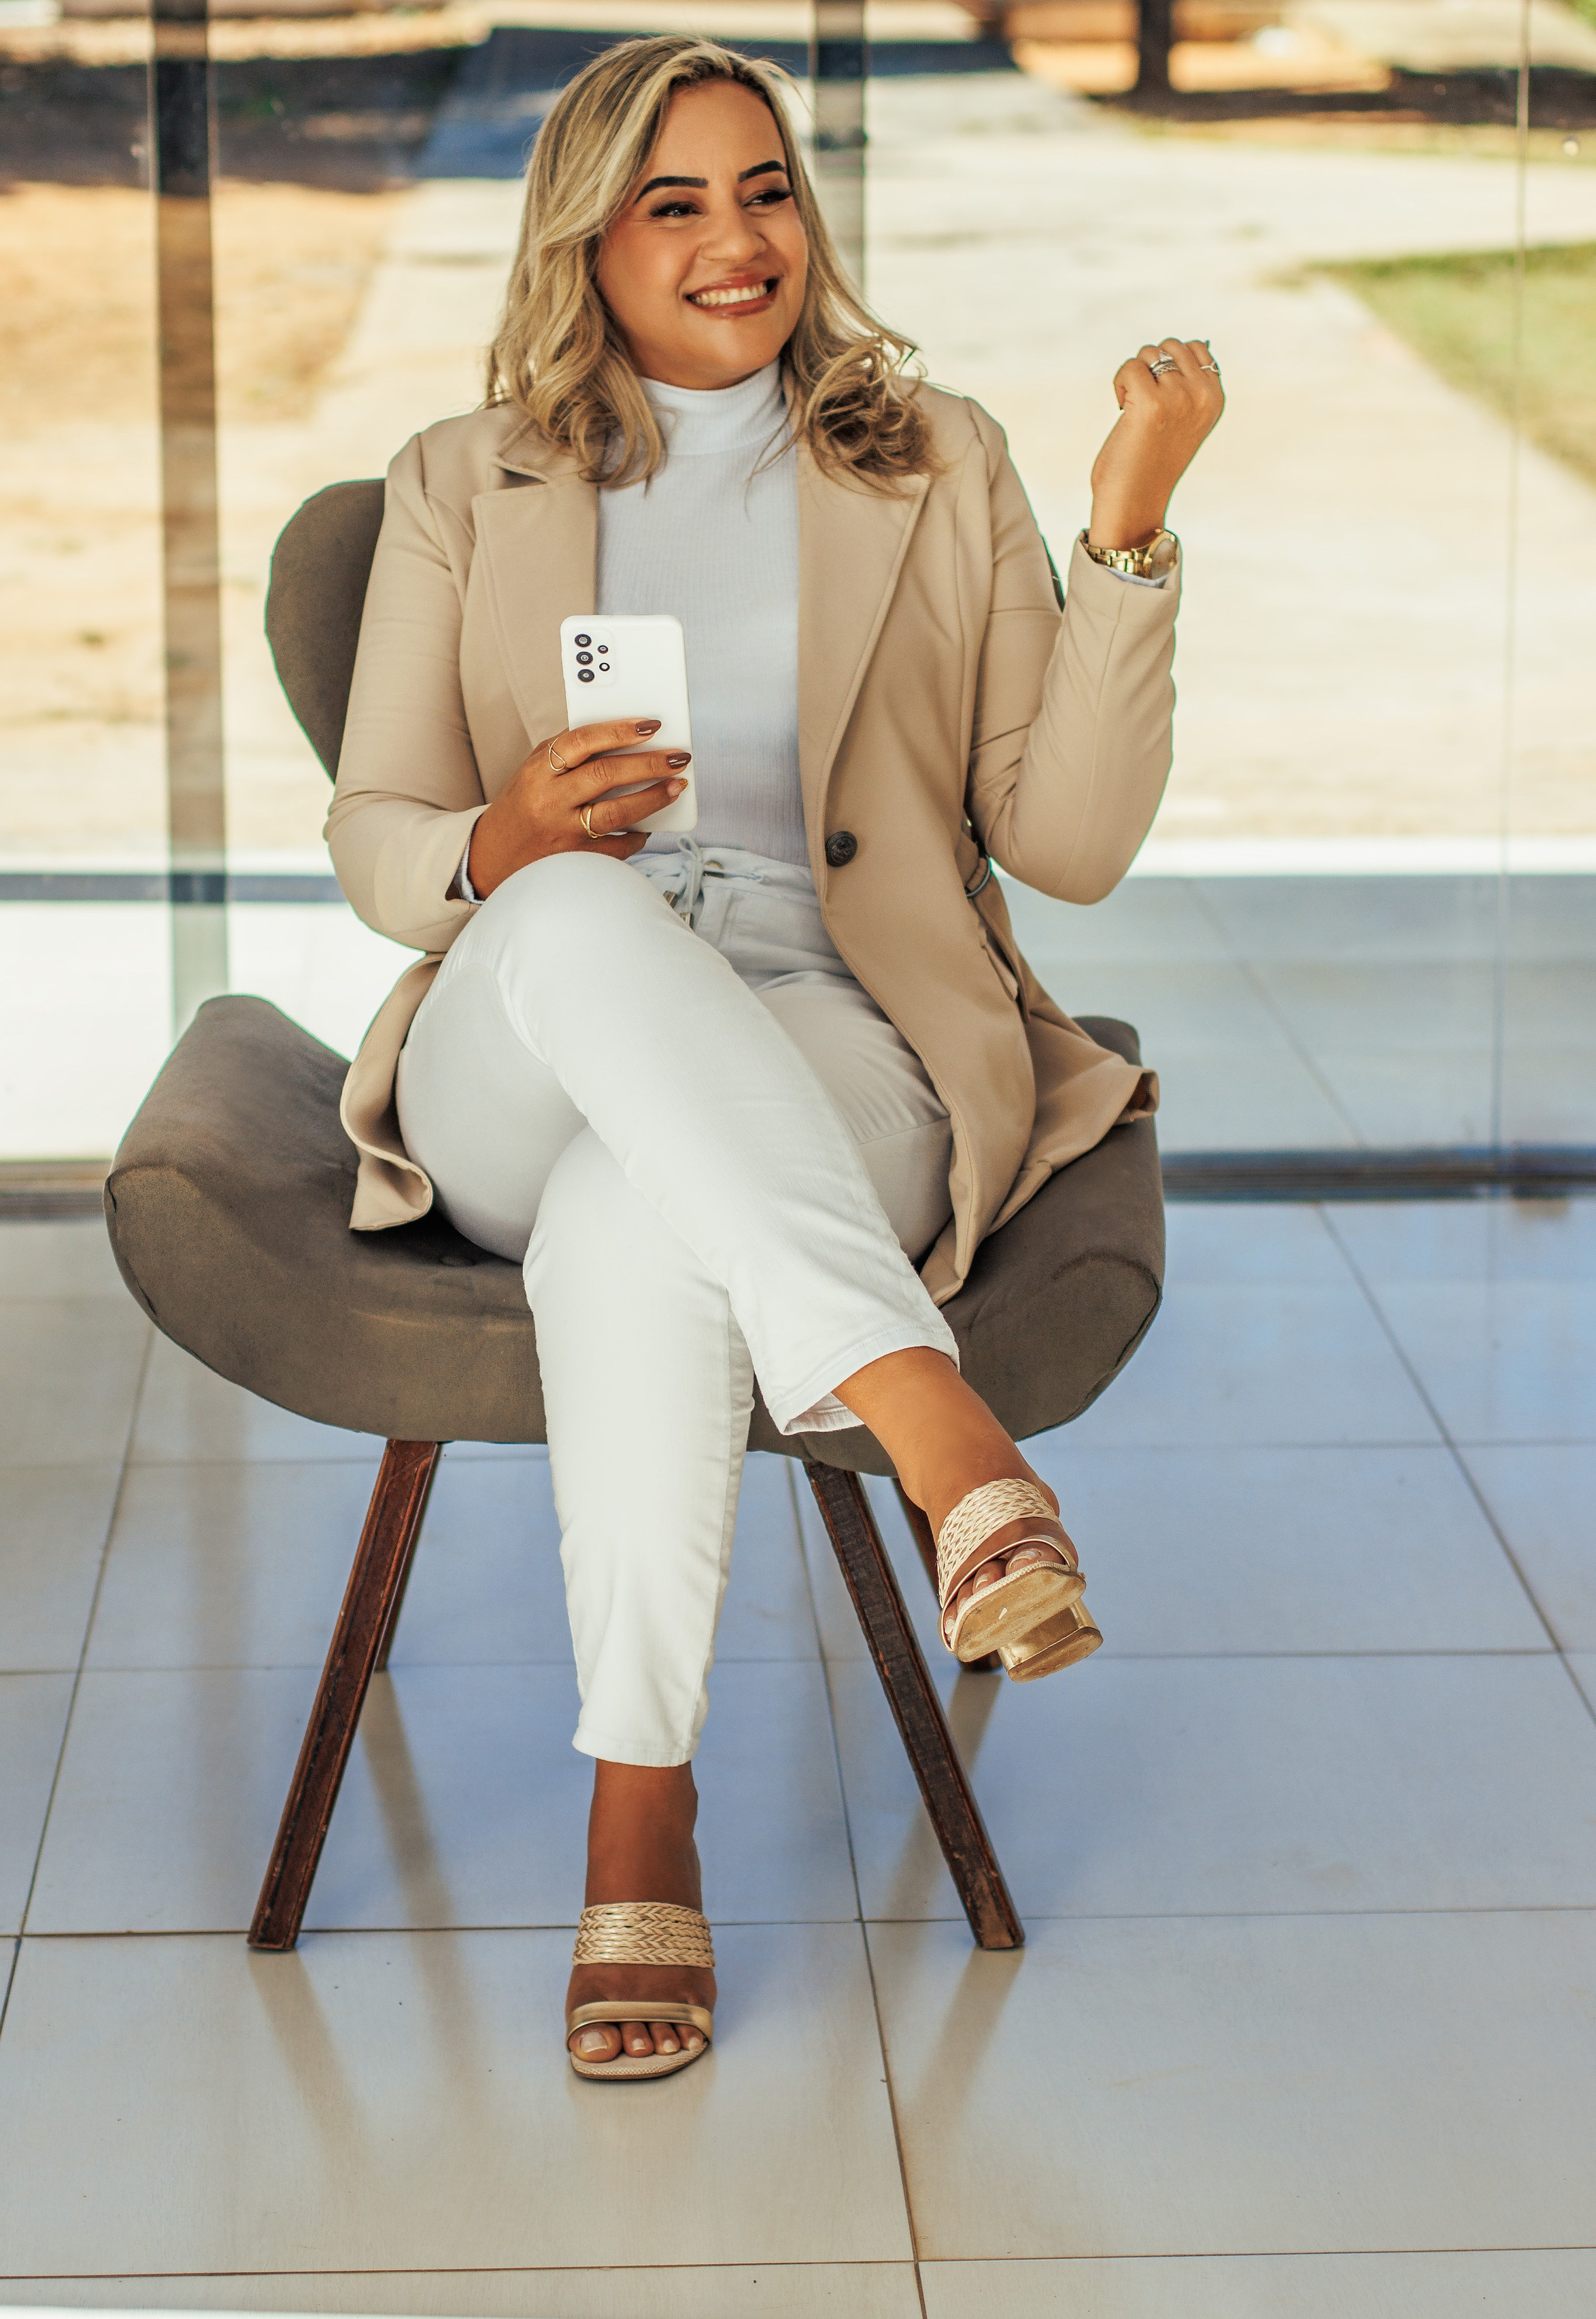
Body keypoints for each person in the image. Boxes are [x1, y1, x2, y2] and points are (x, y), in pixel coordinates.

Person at [325, 34, 1222, 2081]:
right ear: (591, 240)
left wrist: (1132, 542)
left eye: (767, 190)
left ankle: (641, 1807)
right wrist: (500, 840)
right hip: (525, 1032)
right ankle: (945, 1438)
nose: (741, 241)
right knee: (574, 918)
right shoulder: (467, 479)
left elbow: (1066, 844)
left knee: (652, 1215)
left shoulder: (940, 455)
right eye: (677, 201)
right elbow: (379, 835)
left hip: (839, 1034)